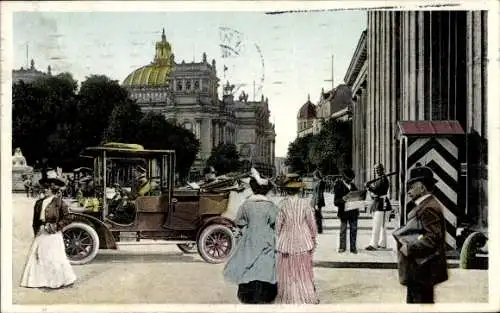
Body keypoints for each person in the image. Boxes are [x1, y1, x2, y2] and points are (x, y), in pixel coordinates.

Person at [393, 165, 448, 303]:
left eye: (412, 186)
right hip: (419, 270)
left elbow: (433, 238)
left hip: (423, 270)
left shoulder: (428, 208)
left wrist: (410, 247)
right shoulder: (426, 205)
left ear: (422, 187)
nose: (408, 191)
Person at [223, 168, 278, 304]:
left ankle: (248, 292)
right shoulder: (270, 206)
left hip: (249, 238)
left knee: (248, 262)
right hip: (266, 238)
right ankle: (265, 293)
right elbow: (275, 221)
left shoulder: (246, 204)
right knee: (265, 263)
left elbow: (239, 221)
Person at [20, 169, 76, 289]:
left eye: (47, 188)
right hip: (42, 233)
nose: (44, 190)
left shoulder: (59, 202)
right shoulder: (39, 203)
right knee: (39, 256)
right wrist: (36, 232)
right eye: (43, 188)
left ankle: (59, 281)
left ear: (53, 190)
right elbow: (35, 220)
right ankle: (40, 281)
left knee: (54, 257)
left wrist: (56, 226)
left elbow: (69, 217)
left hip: (53, 234)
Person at [275, 179, 319, 304]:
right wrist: (313, 237)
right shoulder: (305, 204)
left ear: (286, 190)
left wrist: (280, 235)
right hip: (303, 241)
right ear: (299, 190)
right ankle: (306, 295)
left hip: (286, 242)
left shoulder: (281, 205)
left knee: (288, 271)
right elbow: (312, 224)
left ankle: (289, 297)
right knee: (303, 270)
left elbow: (278, 226)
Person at [365, 163, 392, 251]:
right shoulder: (382, 179)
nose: (377, 171)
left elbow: (377, 191)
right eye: (376, 169)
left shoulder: (382, 179)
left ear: (382, 169)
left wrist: (369, 187)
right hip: (382, 203)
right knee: (383, 226)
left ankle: (373, 244)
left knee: (377, 225)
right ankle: (382, 243)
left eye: (378, 169)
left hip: (381, 204)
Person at [333, 169, 358, 253]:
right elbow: (335, 202)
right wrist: (343, 200)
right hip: (343, 212)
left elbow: (357, 197)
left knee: (353, 230)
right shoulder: (338, 186)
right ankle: (342, 247)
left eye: (351, 179)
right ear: (344, 178)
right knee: (343, 230)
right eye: (348, 179)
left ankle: (353, 247)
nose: (350, 181)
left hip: (353, 212)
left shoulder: (353, 186)